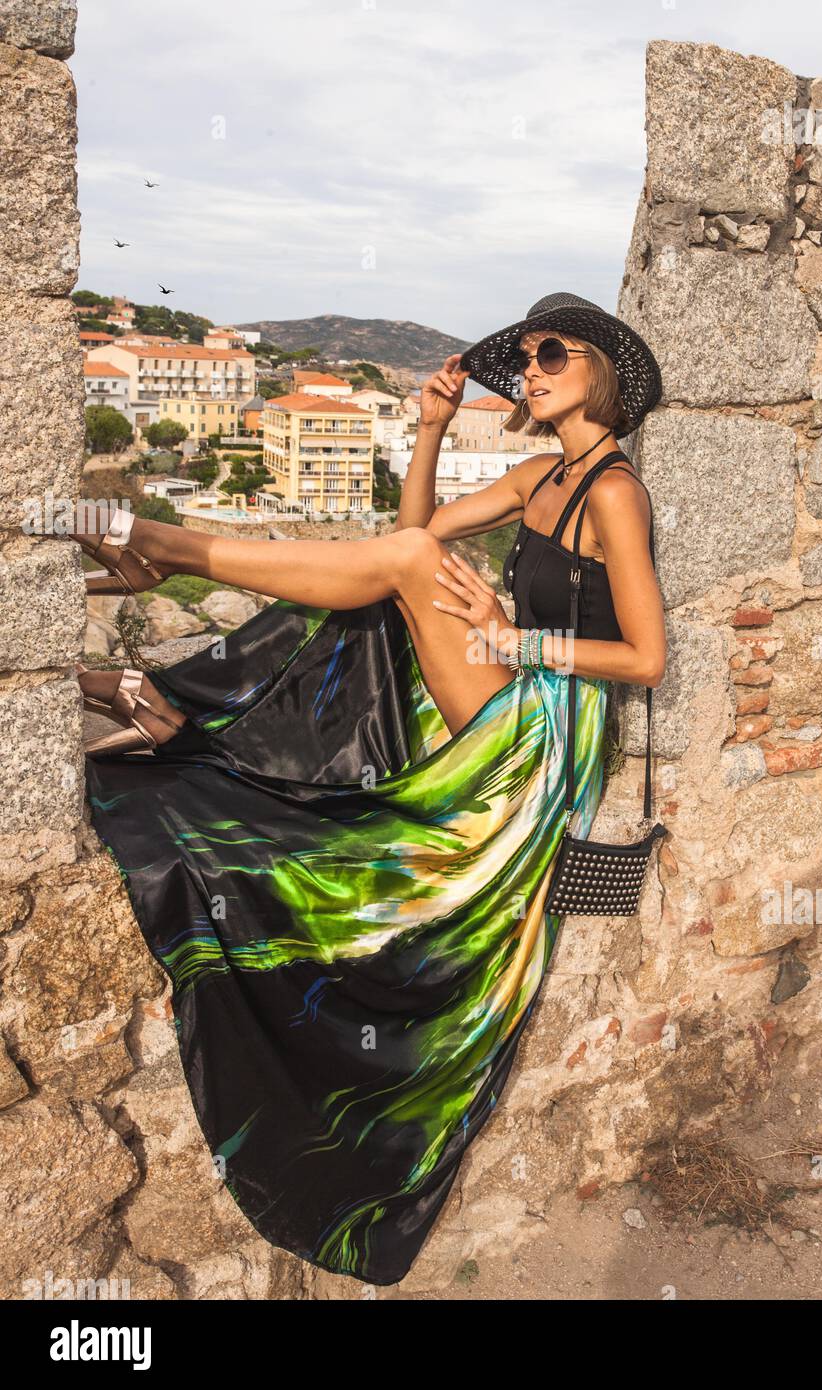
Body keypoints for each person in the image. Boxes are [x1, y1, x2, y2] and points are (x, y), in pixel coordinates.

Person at [72, 290, 666, 1286]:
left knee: (401, 575)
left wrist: (516, 638)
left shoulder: (612, 490)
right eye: (520, 356)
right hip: (509, 684)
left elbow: (644, 656)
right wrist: (429, 427)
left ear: (597, 368)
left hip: (554, 725)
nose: (528, 367)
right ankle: (170, 672)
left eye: (548, 352)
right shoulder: (535, 478)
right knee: (397, 575)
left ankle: (162, 552)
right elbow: (412, 536)